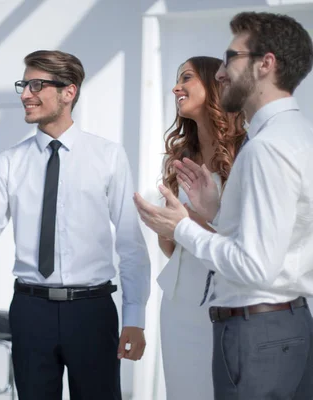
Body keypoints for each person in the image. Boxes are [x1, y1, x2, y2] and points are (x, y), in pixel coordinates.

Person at [0, 50, 151, 400]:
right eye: (24, 84)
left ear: (69, 92)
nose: (25, 94)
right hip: (30, 311)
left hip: (92, 311)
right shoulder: (9, 163)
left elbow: (129, 241)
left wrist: (135, 316)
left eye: (37, 85)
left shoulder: (108, 156)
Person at [134, 11, 313, 399]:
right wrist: (210, 212)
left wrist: (184, 225)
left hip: (252, 323)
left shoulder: (264, 148)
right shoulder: (294, 135)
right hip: (263, 319)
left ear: (266, 64)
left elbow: (256, 265)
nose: (221, 72)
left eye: (231, 57)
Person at [158, 56, 246, 400]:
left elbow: (243, 241)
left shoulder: (246, 153)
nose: (176, 87)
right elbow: (173, 248)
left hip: (225, 303)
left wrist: (185, 221)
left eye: (187, 77)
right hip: (178, 301)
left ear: (213, 84)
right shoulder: (182, 155)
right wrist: (165, 228)